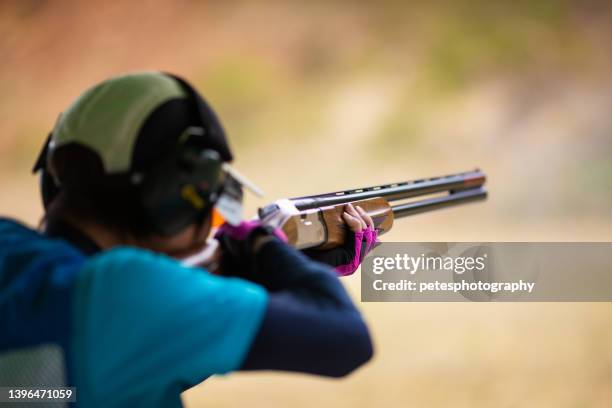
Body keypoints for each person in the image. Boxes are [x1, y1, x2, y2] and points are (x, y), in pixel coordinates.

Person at [0, 72, 375, 407]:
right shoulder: (123, 291)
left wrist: (296, 268)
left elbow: (127, 360)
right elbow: (345, 339)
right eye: (211, 208)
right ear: (172, 198)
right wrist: (262, 246)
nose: (213, 225)